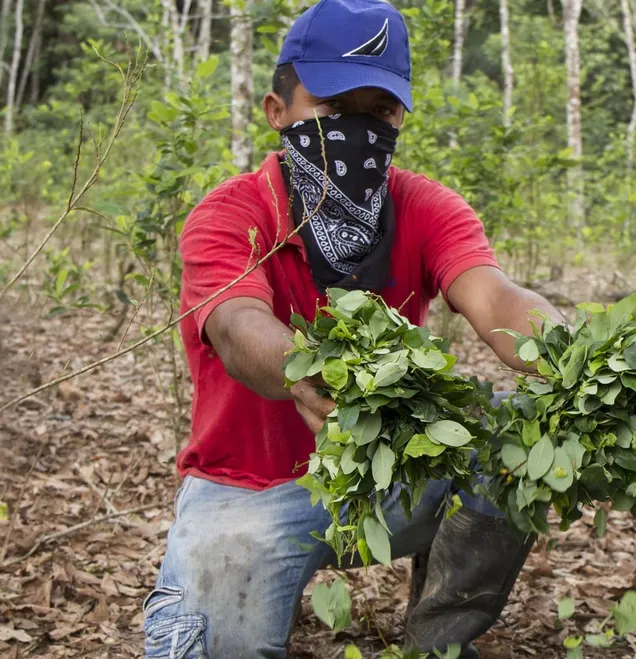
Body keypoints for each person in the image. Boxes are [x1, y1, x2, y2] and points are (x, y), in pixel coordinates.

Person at [143, 2, 561, 657]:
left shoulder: (421, 205)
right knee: (211, 643)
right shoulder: (231, 215)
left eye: (379, 114)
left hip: (387, 471)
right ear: (276, 111)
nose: (357, 133)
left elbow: (493, 296)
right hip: (251, 488)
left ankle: (439, 638)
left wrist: (573, 354)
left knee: (513, 436)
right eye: (334, 111)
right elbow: (235, 323)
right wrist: (304, 370)